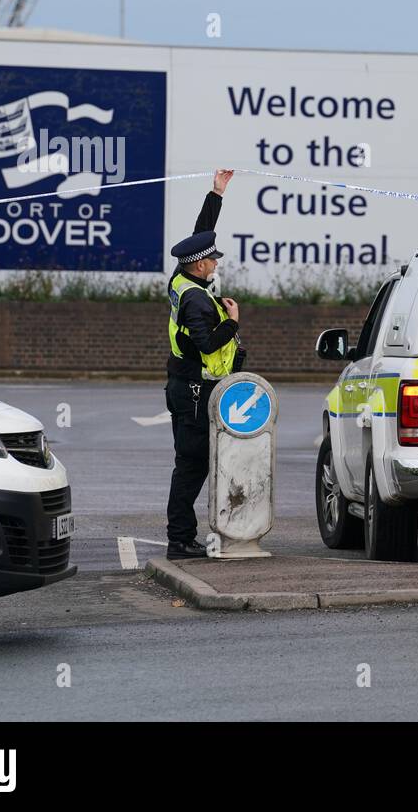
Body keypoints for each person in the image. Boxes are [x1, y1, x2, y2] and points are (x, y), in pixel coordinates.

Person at [164, 168, 245, 559]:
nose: (215, 263)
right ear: (199, 266)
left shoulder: (182, 280)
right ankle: (180, 539)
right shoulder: (196, 299)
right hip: (196, 391)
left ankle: (184, 534)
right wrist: (231, 322)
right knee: (192, 466)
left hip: (186, 387)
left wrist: (217, 194)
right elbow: (205, 342)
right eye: (211, 260)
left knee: (192, 464)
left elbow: (200, 234)